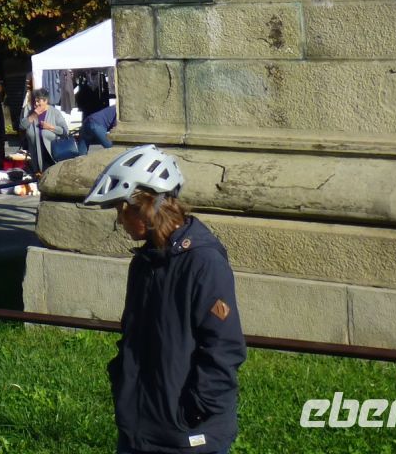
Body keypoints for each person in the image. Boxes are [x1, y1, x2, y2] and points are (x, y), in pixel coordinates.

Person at [82, 146, 245, 454]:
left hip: (186, 434)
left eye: (121, 209)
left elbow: (224, 348)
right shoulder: (145, 262)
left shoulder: (203, 262)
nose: (120, 220)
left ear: (144, 206)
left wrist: (195, 409)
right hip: (141, 427)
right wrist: (123, 380)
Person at [23, 87, 72, 173]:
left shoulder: (54, 113)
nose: (36, 103)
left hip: (52, 157)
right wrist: (33, 115)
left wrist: (50, 127)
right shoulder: (28, 109)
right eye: (34, 101)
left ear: (46, 101)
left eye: (38, 101)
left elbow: (65, 131)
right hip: (34, 157)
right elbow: (22, 126)